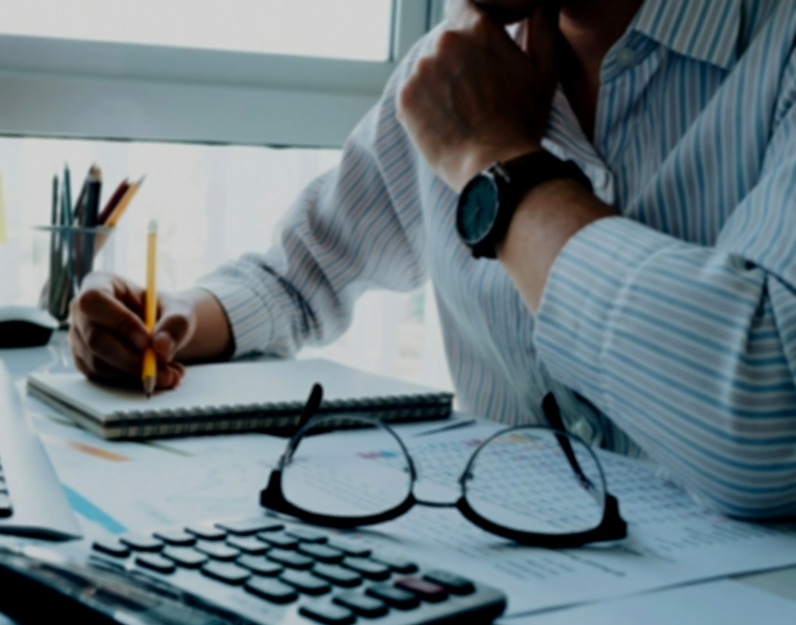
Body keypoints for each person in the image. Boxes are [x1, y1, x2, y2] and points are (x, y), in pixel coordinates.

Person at [69, 0, 796, 519]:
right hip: (513, 594)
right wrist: (173, 320)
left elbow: (770, 419)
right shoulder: (451, 70)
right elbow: (298, 279)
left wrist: (497, 163)